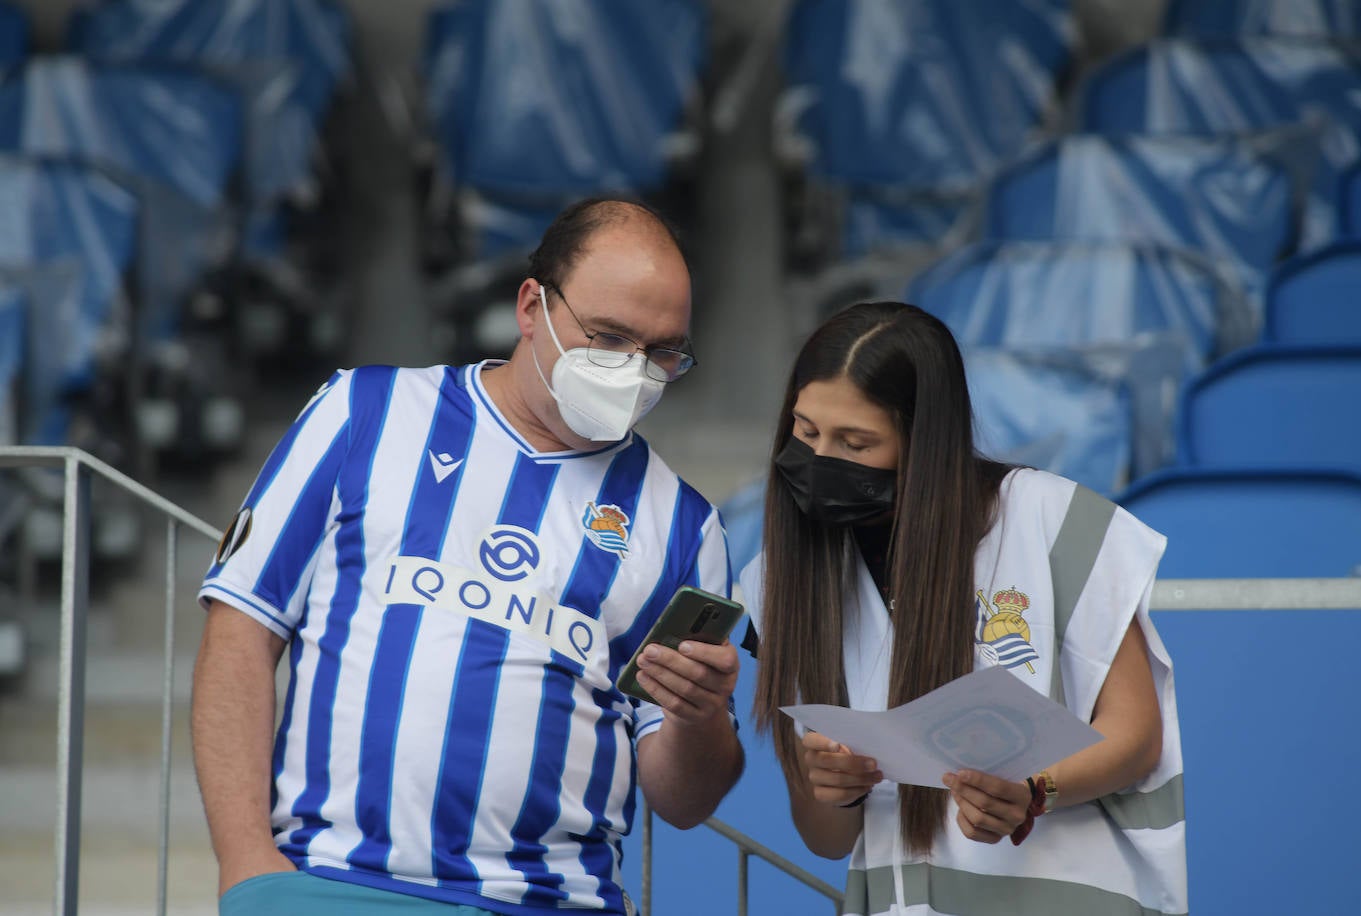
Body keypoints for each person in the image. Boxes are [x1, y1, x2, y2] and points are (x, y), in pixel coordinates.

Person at [192, 198, 744, 916]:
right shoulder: (366, 412)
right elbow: (240, 629)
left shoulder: (685, 526)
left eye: (662, 351)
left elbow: (682, 800)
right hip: (330, 886)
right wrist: (248, 868)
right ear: (530, 307)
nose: (633, 371)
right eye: (609, 338)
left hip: (554, 902)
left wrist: (701, 718)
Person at [740, 301, 1186, 915]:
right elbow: (826, 838)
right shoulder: (778, 579)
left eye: (856, 441)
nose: (819, 461)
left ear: (924, 442)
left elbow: (1136, 733)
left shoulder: (1048, 518)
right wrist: (833, 791)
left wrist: (1033, 790)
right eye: (805, 430)